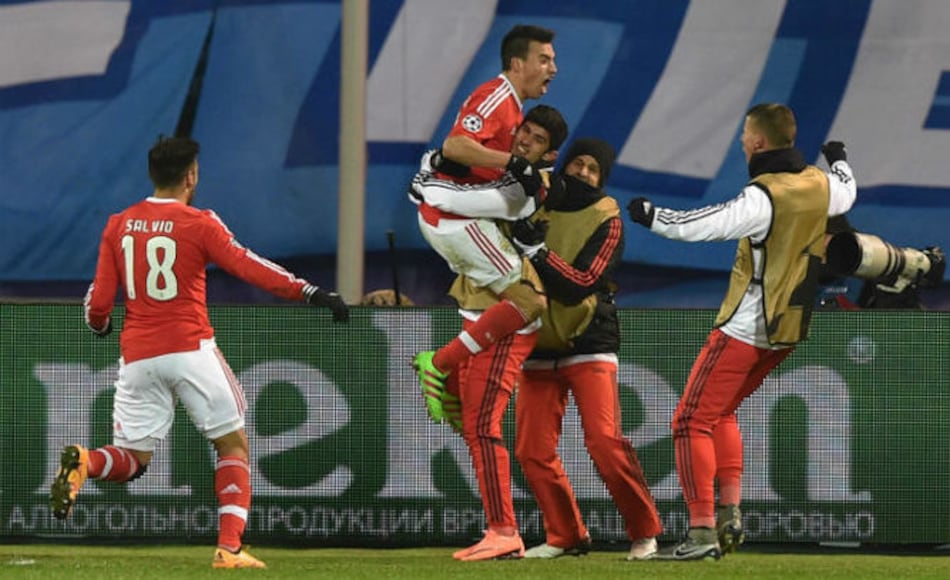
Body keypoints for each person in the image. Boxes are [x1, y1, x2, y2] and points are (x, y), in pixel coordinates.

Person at [50, 136, 349, 569]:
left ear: (152, 175)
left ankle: (86, 462)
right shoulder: (200, 223)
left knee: (132, 460)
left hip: (137, 356)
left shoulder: (119, 225)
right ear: (191, 175)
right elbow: (250, 265)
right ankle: (229, 549)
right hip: (190, 349)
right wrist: (310, 291)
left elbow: (98, 302)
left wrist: (99, 326)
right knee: (233, 446)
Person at [626, 103, 857, 560]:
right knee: (722, 414)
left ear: (758, 143)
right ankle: (730, 513)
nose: (740, 142)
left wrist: (653, 216)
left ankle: (702, 529)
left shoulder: (764, 196)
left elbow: (707, 225)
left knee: (689, 421)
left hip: (746, 325)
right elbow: (849, 190)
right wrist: (839, 158)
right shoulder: (822, 184)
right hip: (788, 327)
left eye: (744, 136)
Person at [410, 105, 569, 561]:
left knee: (482, 425)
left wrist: (426, 181)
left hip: (509, 316)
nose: (524, 142)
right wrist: (433, 170)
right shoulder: (500, 163)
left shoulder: (529, 185)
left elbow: (454, 201)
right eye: (524, 132)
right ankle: (502, 527)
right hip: (479, 305)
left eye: (536, 140)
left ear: (549, 154)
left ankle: (504, 531)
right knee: (470, 426)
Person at [508, 138, 664, 561]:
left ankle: (645, 532)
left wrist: (537, 253)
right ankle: (565, 535)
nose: (582, 173)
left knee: (604, 442)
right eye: (577, 163)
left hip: (590, 343)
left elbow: (580, 284)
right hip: (538, 341)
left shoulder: (608, 217)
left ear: (603, 178)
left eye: (593, 168)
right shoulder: (533, 202)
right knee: (531, 451)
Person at [411, 24, 558, 431]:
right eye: (544, 59)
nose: (553, 68)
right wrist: (514, 164)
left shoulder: (513, 111)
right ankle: (438, 365)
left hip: (452, 219)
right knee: (529, 307)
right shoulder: (497, 95)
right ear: (517, 63)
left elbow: (460, 163)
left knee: (503, 310)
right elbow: (455, 145)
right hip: (458, 224)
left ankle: (455, 389)